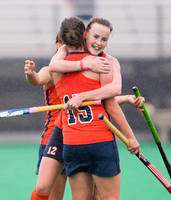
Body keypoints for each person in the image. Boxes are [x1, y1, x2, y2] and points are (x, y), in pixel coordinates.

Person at [49, 16, 142, 200]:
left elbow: (52, 64)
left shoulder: (60, 63)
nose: (99, 43)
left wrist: (82, 96)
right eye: (96, 37)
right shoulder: (103, 65)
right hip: (99, 143)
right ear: (84, 35)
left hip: (72, 145)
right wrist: (131, 137)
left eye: (104, 39)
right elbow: (111, 103)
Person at [26, 32, 112, 200]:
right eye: (60, 43)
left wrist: (128, 99)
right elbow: (36, 80)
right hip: (55, 135)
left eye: (68, 44)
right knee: (50, 193)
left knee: (93, 196)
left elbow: (101, 98)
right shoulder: (52, 69)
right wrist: (30, 73)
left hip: (82, 136)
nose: (63, 47)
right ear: (57, 45)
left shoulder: (87, 70)